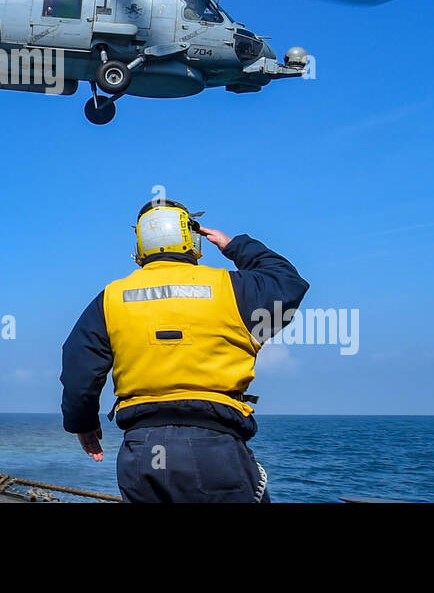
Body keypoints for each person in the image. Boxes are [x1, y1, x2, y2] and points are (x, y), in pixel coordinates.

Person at [60, 198, 308, 502]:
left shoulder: (111, 298)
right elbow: (288, 282)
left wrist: (81, 423)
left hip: (142, 450)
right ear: (192, 239)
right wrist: (235, 245)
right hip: (217, 447)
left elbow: (78, 367)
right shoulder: (233, 288)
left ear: (140, 244)